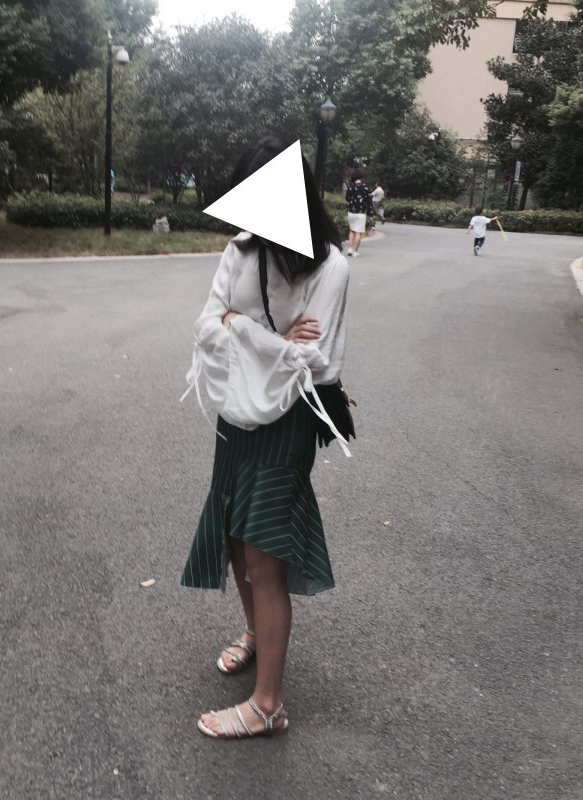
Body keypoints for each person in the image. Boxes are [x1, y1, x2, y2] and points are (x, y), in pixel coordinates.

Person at [181, 136, 350, 740]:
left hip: (289, 420)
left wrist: (240, 326)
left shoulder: (331, 267)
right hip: (236, 413)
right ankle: (255, 632)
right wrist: (268, 338)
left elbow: (317, 362)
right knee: (234, 534)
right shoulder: (241, 249)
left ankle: (268, 705)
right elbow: (206, 325)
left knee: (264, 552)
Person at [345, 170, 373, 257]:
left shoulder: (350, 187)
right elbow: (369, 201)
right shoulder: (365, 188)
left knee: (352, 231)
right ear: (361, 177)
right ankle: (355, 251)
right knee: (358, 233)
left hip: (351, 212)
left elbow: (347, 198)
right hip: (361, 213)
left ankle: (350, 249)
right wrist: (371, 213)